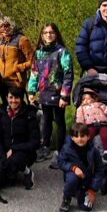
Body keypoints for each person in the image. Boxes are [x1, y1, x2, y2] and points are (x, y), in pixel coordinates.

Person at [27, 23, 74, 164]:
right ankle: (45, 146)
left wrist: (65, 95)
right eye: (46, 32)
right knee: (46, 120)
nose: (49, 35)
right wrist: (31, 91)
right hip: (43, 93)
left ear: (56, 34)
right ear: (42, 35)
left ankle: (60, 151)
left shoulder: (63, 52)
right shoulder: (38, 53)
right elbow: (34, 74)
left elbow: (68, 74)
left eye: (51, 32)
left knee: (59, 122)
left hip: (59, 94)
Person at [0, 86, 40, 196]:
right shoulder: (1, 113)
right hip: (5, 151)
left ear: (21, 99)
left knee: (13, 161)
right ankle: (8, 172)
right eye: (10, 97)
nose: (13, 101)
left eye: (17, 98)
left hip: (22, 151)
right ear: (7, 97)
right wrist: (2, 157)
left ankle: (27, 172)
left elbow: (35, 142)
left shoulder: (29, 114)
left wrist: (14, 148)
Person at [57, 122, 107, 212]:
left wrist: (93, 190)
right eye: (76, 136)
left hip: (86, 181)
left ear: (88, 137)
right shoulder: (67, 148)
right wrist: (73, 168)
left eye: (82, 136)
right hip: (72, 175)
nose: (79, 139)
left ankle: (82, 194)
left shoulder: (93, 151)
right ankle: (66, 198)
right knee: (72, 179)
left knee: (86, 208)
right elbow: (61, 162)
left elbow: (99, 170)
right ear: (72, 137)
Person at [74, 88, 107, 165]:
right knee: (88, 136)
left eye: (88, 99)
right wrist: (80, 126)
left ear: (94, 98)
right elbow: (79, 118)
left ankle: (106, 153)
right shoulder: (81, 108)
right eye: (83, 99)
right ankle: (86, 152)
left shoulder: (99, 105)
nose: (85, 101)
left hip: (103, 124)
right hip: (89, 125)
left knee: (105, 135)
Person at [0, 17, 33, 97]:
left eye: (6, 26)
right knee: (5, 108)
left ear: (11, 26)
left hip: (16, 82)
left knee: (17, 107)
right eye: (1, 26)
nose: (4, 29)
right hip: (2, 82)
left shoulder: (22, 40)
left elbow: (33, 61)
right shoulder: (1, 40)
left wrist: (19, 68)